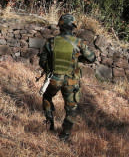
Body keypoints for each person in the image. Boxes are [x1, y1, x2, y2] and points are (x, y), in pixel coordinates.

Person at [38, 13, 96, 141]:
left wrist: (50, 69)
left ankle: (49, 123)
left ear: (60, 26)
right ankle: (64, 135)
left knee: (47, 96)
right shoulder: (79, 43)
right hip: (72, 81)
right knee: (71, 108)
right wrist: (77, 59)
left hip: (54, 79)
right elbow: (92, 58)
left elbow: (42, 62)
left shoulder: (51, 42)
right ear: (73, 27)